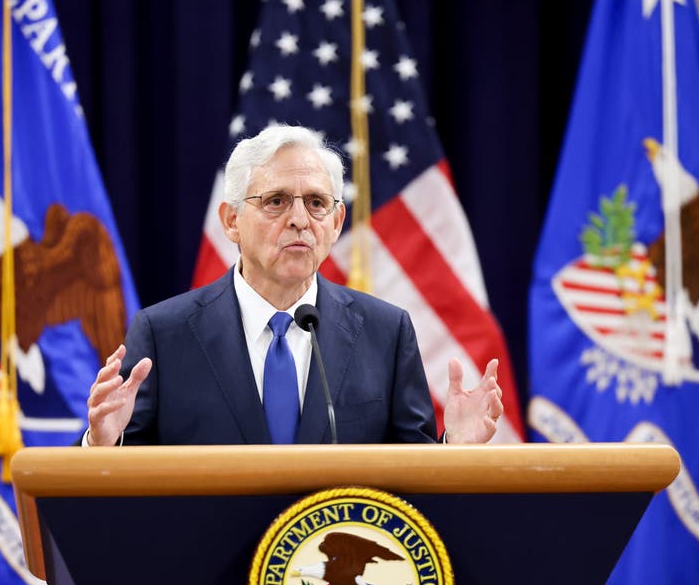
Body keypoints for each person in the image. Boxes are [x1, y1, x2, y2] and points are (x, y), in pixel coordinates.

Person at [83, 125, 504, 446]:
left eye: (317, 203)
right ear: (231, 221)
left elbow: (407, 481)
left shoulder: (385, 333)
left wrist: (454, 448)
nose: (300, 220)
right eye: (276, 201)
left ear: (336, 223)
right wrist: (103, 443)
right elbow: (126, 485)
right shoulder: (164, 334)